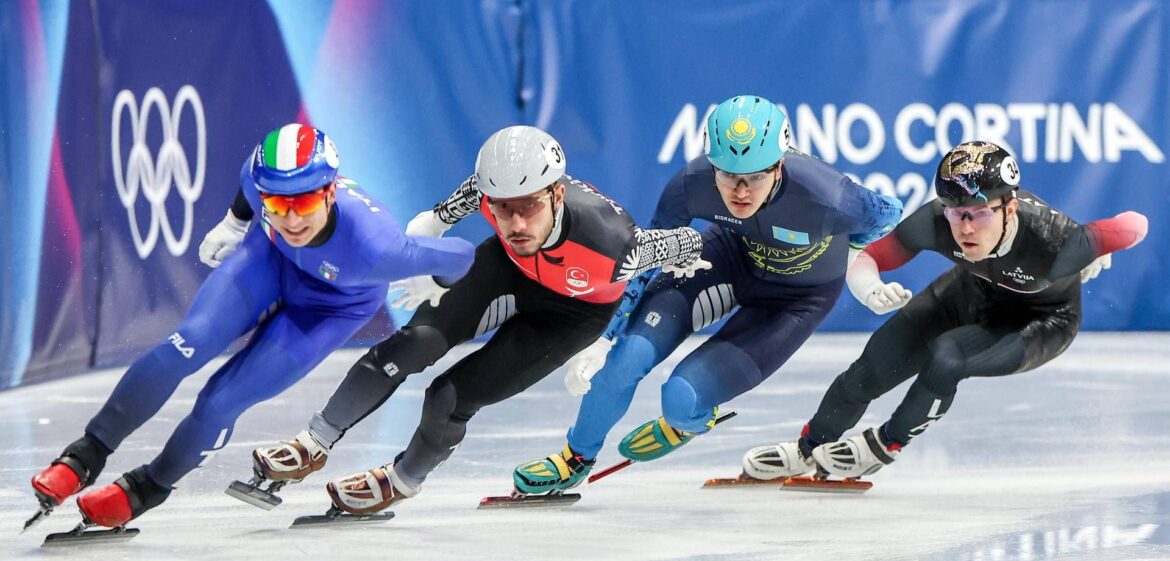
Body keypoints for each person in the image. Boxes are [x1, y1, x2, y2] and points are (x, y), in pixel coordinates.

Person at [26, 124, 475, 533]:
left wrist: (435, 281)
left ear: (330, 193)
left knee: (220, 402)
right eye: (277, 205)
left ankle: (148, 487)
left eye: (304, 204)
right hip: (269, 261)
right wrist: (236, 221)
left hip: (330, 308)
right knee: (185, 345)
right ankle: (85, 455)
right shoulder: (263, 185)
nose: (292, 220)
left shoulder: (377, 247)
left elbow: (460, 255)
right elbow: (250, 174)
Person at [250, 125, 708, 516]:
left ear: (557, 194)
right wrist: (429, 232)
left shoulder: (616, 244)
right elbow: (447, 211)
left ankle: (404, 478)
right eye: (503, 207)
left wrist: (608, 338)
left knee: (448, 397)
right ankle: (314, 442)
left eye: (529, 206)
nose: (516, 222)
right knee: (414, 342)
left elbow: (686, 241)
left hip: (574, 312)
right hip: (509, 268)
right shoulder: (488, 193)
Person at [510, 94, 905, 494]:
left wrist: (851, 251)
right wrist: (604, 337)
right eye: (728, 175)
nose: (741, 191)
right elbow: (645, 259)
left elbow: (890, 212)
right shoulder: (691, 184)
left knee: (681, 401)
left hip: (796, 301)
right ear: (712, 165)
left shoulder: (828, 195)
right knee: (622, 360)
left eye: (755, 176)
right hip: (728, 259)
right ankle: (575, 458)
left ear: (779, 166)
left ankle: (687, 422)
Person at [741, 140, 1149, 481]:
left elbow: (1136, 225)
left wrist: (1103, 240)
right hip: (970, 293)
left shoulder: (1054, 240)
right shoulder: (936, 221)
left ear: (1010, 209)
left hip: (1041, 320)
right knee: (871, 366)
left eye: (979, 213)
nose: (965, 228)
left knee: (948, 357)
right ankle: (808, 448)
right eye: (956, 213)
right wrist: (869, 288)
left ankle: (885, 443)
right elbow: (870, 256)